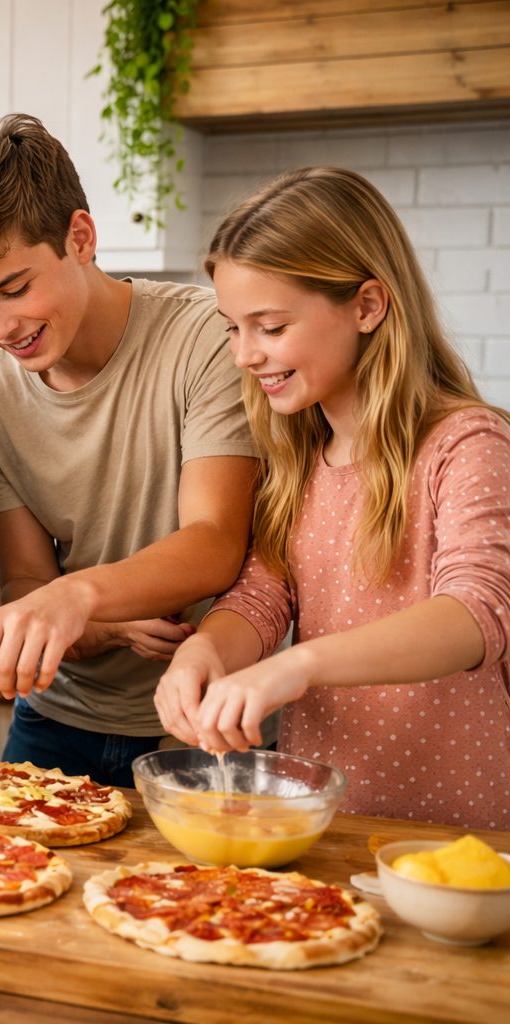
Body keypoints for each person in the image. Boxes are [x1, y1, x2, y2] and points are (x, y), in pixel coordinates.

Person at [0, 114, 259, 787]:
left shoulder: (207, 337)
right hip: (56, 716)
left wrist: (79, 595)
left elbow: (215, 542)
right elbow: (31, 584)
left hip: (206, 716)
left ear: (80, 237)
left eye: (13, 288)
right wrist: (103, 621)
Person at [154, 167, 510, 829]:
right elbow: (261, 597)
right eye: (233, 328)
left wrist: (300, 664)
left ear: (368, 306)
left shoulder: (466, 442)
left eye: (269, 327)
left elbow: (477, 612)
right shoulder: (298, 457)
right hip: (320, 819)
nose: (244, 356)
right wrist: (203, 652)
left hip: (454, 832)